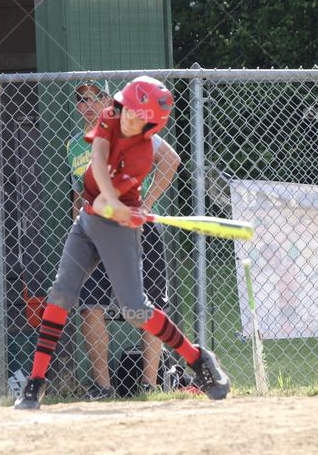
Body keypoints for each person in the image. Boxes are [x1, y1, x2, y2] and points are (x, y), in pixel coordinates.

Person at [16, 76, 230, 409]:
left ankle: (198, 358)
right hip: (88, 218)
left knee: (135, 309)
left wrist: (126, 209)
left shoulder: (143, 154)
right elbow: (98, 161)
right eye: (128, 108)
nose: (128, 116)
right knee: (60, 295)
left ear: (151, 123)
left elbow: (111, 204)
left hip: (116, 226)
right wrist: (109, 201)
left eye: (137, 114)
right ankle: (36, 382)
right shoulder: (110, 116)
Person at [67, 81, 181, 399]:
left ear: (109, 101)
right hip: (96, 230)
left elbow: (171, 160)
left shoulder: (131, 130)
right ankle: (103, 387)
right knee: (90, 305)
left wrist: (147, 205)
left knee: (148, 305)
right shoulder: (74, 146)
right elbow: (80, 193)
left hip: (134, 228)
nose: (88, 104)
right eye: (81, 99)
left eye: (95, 98)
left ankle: (149, 385)